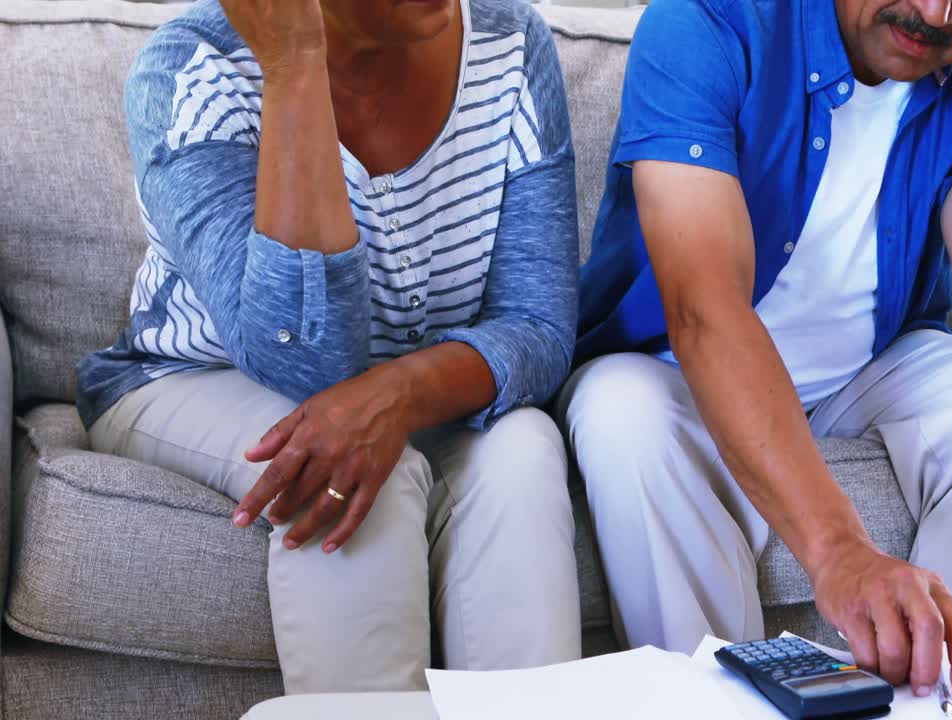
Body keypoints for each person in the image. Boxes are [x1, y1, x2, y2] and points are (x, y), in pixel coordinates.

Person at [562, 0, 952, 701]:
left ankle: (950, 695)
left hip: (867, 369)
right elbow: (703, 310)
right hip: (677, 369)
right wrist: (839, 552)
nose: (937, 13)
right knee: (620, 411)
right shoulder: (708, 19)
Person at [76, 0, 581, 694]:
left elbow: (540, 326)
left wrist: (397, 394)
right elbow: (303, 360)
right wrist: (293, 71)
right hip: (190, 378)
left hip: (420, 388)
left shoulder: (511, 43)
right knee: (339, 467)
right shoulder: (192, 71)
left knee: (524, 446)